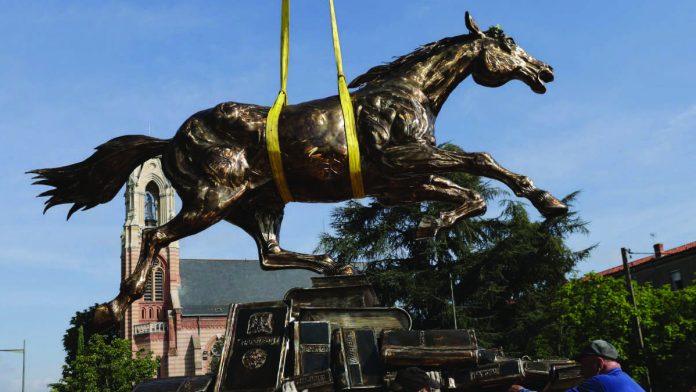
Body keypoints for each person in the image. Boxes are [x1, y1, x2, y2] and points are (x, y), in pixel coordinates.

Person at [508, 340, 644, 392]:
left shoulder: (599, 382)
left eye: (584, 365)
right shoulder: (630, 382)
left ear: (599, 363)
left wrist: (520, 391)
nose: (581, 371)